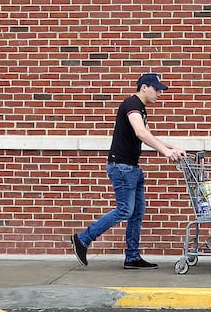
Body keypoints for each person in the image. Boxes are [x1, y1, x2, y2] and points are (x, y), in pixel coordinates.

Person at [71, 72, 186, 270]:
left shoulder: (140, 109)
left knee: (137, 212)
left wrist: (171, 147)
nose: (159, 93)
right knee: (125, 209)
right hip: (122, 167)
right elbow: (141, 132)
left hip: (132, 168)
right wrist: (166, 152)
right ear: (144, 88)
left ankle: (132, 257)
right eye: (156, 89)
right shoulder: (132, 105)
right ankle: (83, 238)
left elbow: (148, 134)